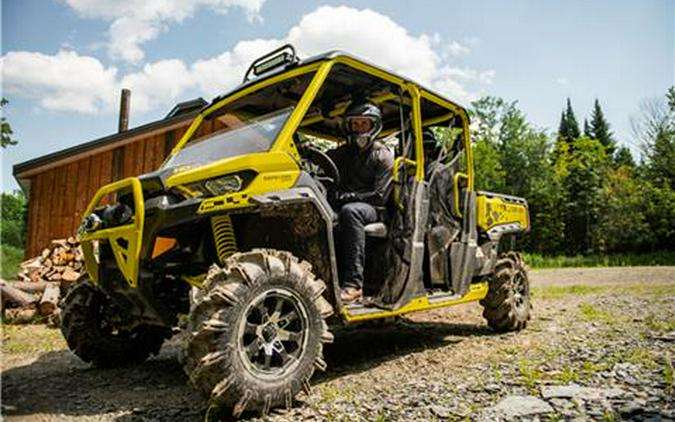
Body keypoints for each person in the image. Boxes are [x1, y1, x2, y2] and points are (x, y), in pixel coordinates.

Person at [327, 101, 394, 303]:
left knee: (350, 211)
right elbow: (321, 159)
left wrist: (350, 197)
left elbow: (380, 195)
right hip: (347, 204)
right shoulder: (344, 152)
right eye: (354, 124)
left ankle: (354, 285)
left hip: (375, 209)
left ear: (373, 126)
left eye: (363, 124)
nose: (358, 129)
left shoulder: (382, 154)